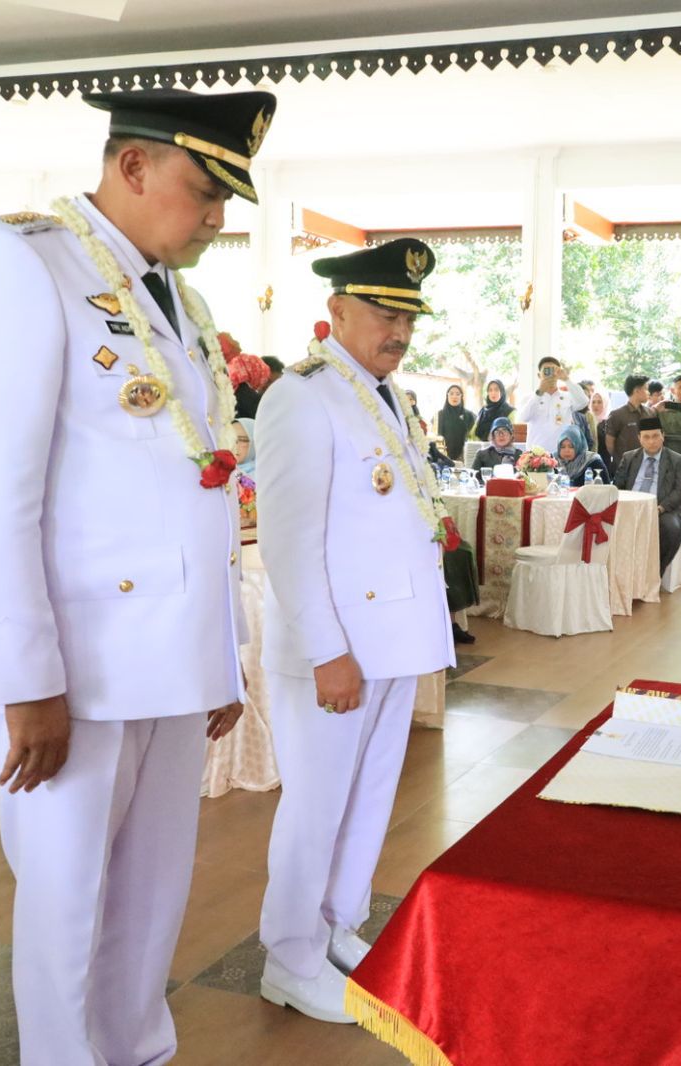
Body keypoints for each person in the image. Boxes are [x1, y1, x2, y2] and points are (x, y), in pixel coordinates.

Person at [0, 87, 266, 1065]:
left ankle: (137, 1052)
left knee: (152, 896)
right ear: (131, 166)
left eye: (226, 199)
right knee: (67, 905)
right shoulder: (22, 263)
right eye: (205, 191)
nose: (217, 218)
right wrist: (22, 676)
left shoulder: (175, 298)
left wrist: (222, 655)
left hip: (171, 657)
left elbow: (196, 481)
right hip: (74, 666)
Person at [253, 238, 453, 1024]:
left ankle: (336, 925)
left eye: (408, 318)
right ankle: (289, 956)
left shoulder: (382, 392)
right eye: (382, 312)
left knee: (367, 798)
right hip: (335, 649)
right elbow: (289, 539)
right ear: (336, 310)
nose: (398, 331)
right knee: (316, 806)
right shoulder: (302, 396)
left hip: (390, 639)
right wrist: (326, 650)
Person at [614, 416, 681, 577]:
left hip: (663, 509)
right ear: (639, 438)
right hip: (630, 507)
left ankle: (654, 574)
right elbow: (617, 486)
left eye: (656, 436)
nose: (651, 441)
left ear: (663, 435)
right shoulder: (629, 457)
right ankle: (619, 574)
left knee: (672, 528)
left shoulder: (677, 460)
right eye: (646, 437)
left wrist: (660, 508)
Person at [522, 355, 589, 453]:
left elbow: (583, 402)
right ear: (539, 375)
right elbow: (524, 417)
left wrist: (567, 379)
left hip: (562, 454)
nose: (550, 374)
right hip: (536, 455)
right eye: (546, 370)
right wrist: (539, 392)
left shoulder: (567, 396)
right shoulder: (530, 398)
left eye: (553, 370)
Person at [605, 373, 652, 462]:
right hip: (624, 465)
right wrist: (620, 459)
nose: (649, 393)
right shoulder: (617, 415)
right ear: (637, 391)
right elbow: (610, 444)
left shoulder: (650, 413)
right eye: (646, 389)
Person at [436, 384, 473, 464]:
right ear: (447, 396)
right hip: (443, 455)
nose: (454, 396)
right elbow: (436, 436)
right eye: (451, 393)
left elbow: (472, 436)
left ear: (461, 396)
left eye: (457, 394)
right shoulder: (440, 415)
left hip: (464, 456)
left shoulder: (469, 415)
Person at [233, 417, 258, 529]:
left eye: (242, 440)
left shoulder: (266, 475)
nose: (234, 445)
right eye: (230, 438)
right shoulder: (220, 473)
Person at [586, 386, 612, 470]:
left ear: (605, 403)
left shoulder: (610, 422)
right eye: (593, 402)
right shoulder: (586, 422)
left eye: (599, 402)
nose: (595, 405)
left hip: (604, 463)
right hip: (588, 464)